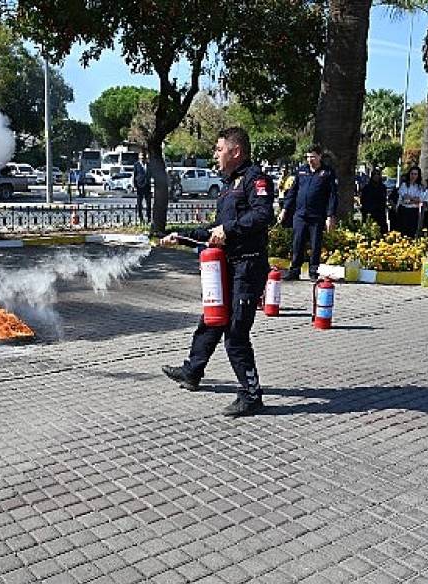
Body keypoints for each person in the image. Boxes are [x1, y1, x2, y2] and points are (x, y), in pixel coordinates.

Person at [160, 127, 274, 417]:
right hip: (227, 265)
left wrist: (230, 228)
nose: (215, 154)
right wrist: (182, 236)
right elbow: (215, 231)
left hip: (248, 266)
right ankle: (192, 371)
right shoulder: (228, 185)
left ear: (236, 151)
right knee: (212, 320)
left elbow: (263, 216)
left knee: (235, 333)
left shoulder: (254, 179)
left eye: (219, 148)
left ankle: (251, 394)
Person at [279, 146, 337, 281]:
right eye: (308, 157)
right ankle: (294, 270)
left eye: (313, 157)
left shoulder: (327, 172)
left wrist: (330, 215)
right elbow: (292, 192)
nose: (310, 160)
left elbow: (332, 196)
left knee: (315, 244)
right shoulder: (301, 171)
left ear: (320, 156)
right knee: (297, 242)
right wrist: (284, 210)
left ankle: (313, 271)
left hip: (317, 215)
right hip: (300, 214)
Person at [395, 166, 424, 237]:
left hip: (414, 211)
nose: (413, 176)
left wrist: (411, 199)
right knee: (403, 231)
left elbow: (420, 200)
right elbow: (405, 199)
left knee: (412, 231)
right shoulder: (404, 185)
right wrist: (414, 199)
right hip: (404, 210)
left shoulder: (420, 187)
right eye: (412, 174)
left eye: (415, 174)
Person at [360, 169, 389, 234]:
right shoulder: (366, 188)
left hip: (380, 213)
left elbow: (384, 200)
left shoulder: (383, 187)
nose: (376, 176)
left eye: (378, 174)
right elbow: (363, 200)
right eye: (374, 174)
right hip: (369, 213)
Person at [133, 153, 151, 223]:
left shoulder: (149, 165)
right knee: (139, 203)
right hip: (139, 186)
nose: (143, 158)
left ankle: (148, 217)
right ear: (139, 157)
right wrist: (135, 186)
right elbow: (135, 175)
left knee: (148, 203)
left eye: (144, 157)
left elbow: (151, 175)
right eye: (141, 157)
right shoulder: (136, 165)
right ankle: (140, 217)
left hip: (147, 186)